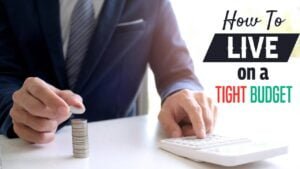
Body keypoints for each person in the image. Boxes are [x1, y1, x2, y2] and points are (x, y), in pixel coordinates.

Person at [0, 0, 217, 144]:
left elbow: (177, 71)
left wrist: (181, 93)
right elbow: (4, 73)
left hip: (119, 148)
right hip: (33, 151)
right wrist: (17, 108)